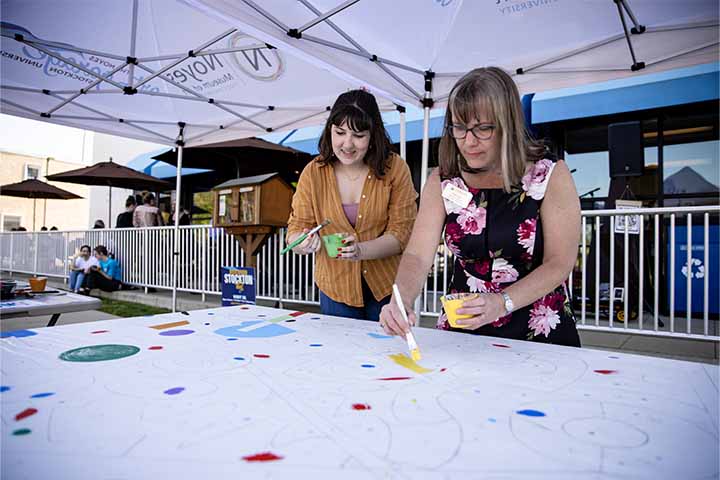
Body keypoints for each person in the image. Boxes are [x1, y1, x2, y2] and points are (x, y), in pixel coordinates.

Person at [379, 67, 581, 346]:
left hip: (538, 328)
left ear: (507, 124)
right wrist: (400, 299)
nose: (469, 141)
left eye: (483, 128)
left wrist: (502, 302)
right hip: (463, 328)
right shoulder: (443, 180)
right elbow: (417, 255)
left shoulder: (550, 174)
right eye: (459, 128)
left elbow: (560, 262)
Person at [286, 89, 418, 321]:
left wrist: (360, 251)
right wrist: (302, 243)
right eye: (340, 132)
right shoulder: (313, 173)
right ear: (330, 131)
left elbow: (401, 234)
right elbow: (295, 231)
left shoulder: (395, 168)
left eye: (358, 135)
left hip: (385, 287)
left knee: (388, 354)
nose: (347, 144)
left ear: (373, 135)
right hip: (335, 288)